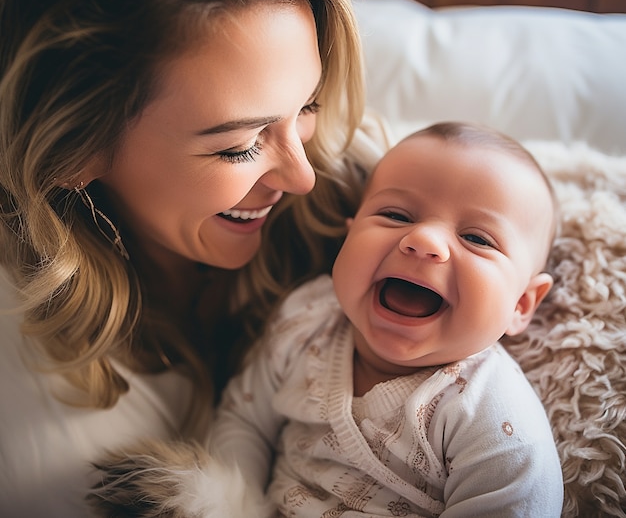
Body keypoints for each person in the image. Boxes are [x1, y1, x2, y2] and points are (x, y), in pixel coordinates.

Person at [0, 0, 385, 516]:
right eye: (238, 146)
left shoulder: (368, 196)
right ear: (75, 151)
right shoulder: (28, 364)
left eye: (307, 107)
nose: (302, 176)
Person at [95, 122, 563, 517]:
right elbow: (246, 419)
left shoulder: (497, 423)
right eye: (395, 214)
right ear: (349, 237)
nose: (423, 240)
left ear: (522, 304)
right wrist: (235, 502)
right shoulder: (308, 318)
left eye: (478, 239)